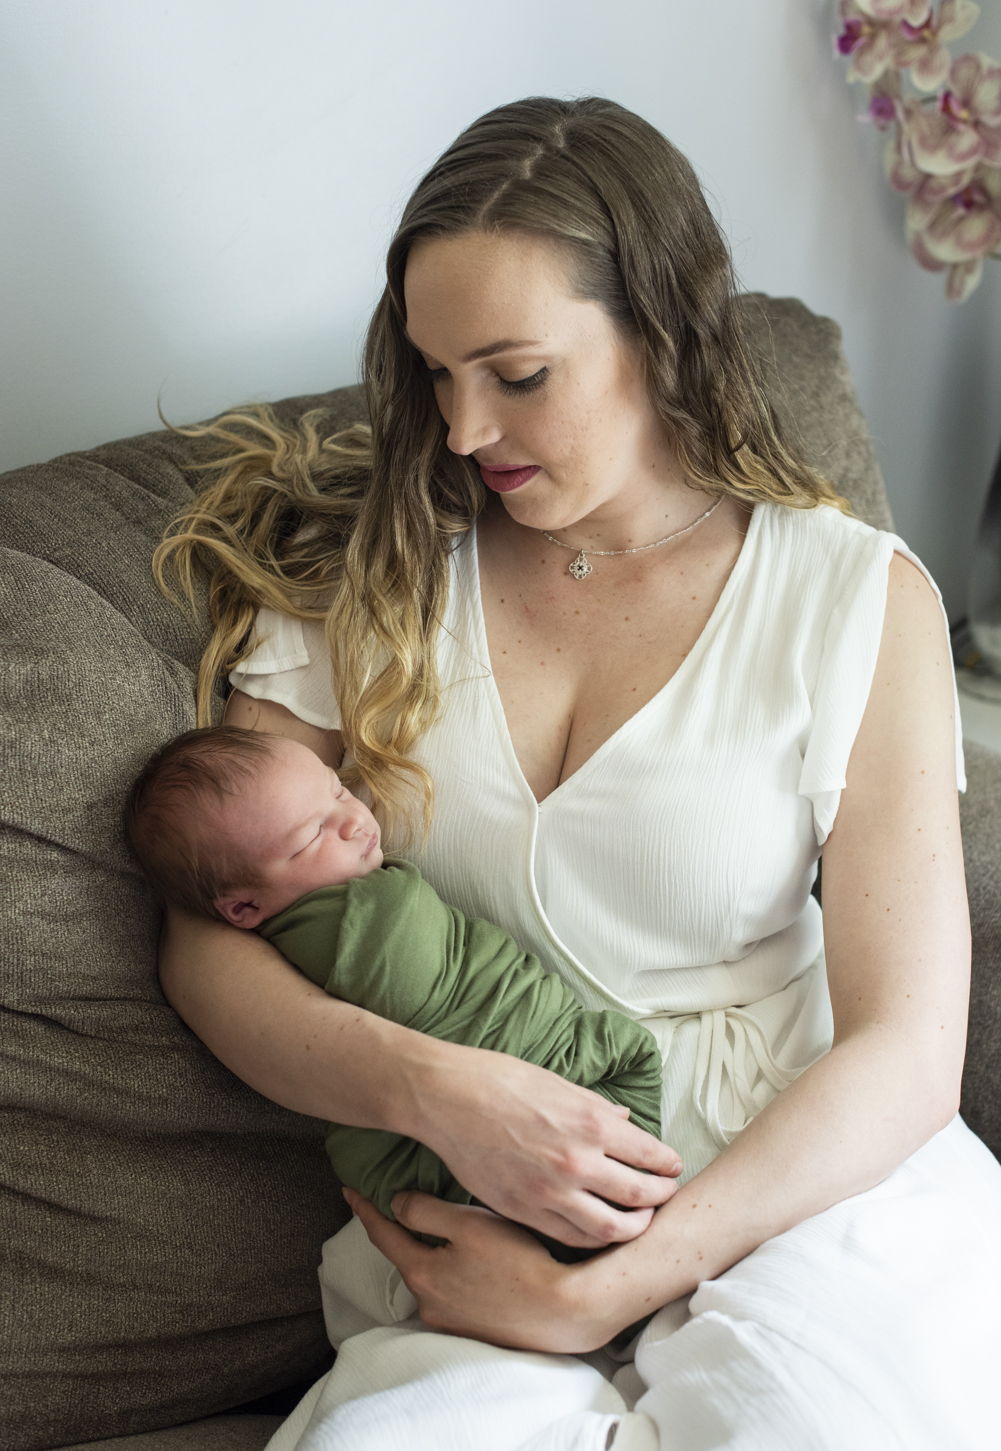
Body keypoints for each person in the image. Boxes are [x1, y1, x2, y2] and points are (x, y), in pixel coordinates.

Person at [156, 96, 1001, 1450]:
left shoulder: (851, 601)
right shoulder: (364, 577)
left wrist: (618, 1283)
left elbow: (908, 1050)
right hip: (474, 1193)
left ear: (661, 328)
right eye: (435, 375)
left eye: (516, 373)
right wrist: (432, 1094)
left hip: (798, 1180)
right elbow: (212, 946)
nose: (464, 428)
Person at [123, 724, 663, 1234]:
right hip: (481, 1105)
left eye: (338, 791)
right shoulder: (343, 931)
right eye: (312, 835)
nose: (354, 819)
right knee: (621, 1065)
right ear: (243, 908)